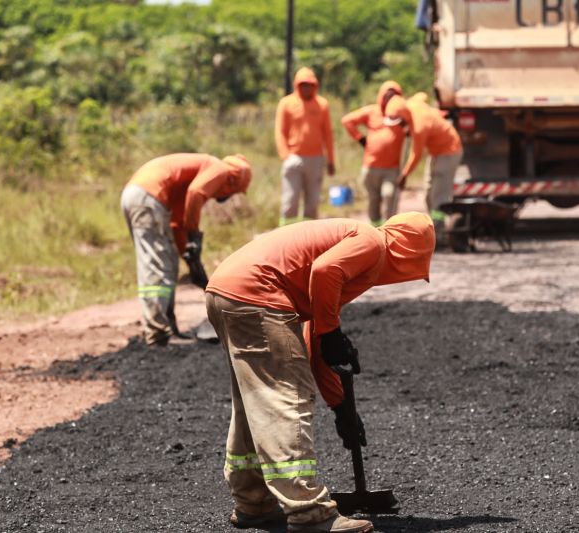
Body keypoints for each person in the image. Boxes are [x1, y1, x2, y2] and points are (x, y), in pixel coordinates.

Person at [205, 212, 435, 532]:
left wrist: (341, 407)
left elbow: (317, 336)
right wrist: (332, 332)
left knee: (255, 401)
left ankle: (253, 503)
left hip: (225, 292)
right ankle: (308, 511)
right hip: (259, 295)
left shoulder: (351, 243)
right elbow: (324, 272)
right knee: (287, 397)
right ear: (409, 251)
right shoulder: (372, 241)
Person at [120, 153, 252, 346]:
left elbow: (176, 226)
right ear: (233, 181)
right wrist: (194, 236)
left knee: (168, 262)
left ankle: (167, 326)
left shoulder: (185, 184)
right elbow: (197, 193)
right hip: (147, 198)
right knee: (157, 265)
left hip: (141, 196)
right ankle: (157, 334)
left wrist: (191, 261)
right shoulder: (220, 169)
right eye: (233, 192)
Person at [342, 81, 413, 226]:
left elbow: (414, 132)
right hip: (371, 168)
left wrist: (406, 126)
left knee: (389, 196)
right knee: (373, 201)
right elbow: (347, 121)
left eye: (394, 96)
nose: (390, 99)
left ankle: (390, 229)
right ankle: (375, 232)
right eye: (387, 96)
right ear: (381, 96)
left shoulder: (401, 115)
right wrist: (361, 139)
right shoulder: (372, 111)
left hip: (391, 170)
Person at [275, 67, 336, 225]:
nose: (306, 88)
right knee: (290, 200)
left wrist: (330, 160)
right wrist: (285, 156)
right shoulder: (286, 103)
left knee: (312, 203)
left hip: (316, 160)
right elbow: (280, 131)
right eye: (303, 85)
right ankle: (286, 237)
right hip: (294, 159)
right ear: (297, 85)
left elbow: (328, 134)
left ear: (315, 86)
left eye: (309, 85)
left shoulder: (322, 105)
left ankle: (308, 241)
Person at [398, 92, 463, 239]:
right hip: (436, 152)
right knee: (428, 193)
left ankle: (439, 234)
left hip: (450, 151)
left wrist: (404, 175)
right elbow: (421, 95)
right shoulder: (410, 105)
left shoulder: (419, 127)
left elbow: (416, 155)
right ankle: (435, 225)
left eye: (403, 125)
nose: (402, 130)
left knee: (439, 195)